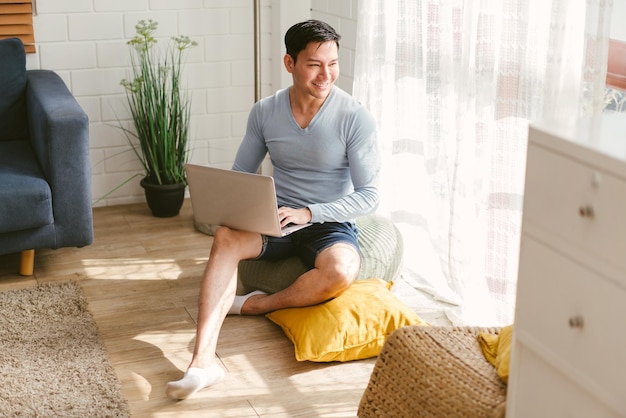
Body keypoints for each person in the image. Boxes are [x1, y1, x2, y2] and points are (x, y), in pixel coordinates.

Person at [165, 19, 380, 400]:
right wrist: (228, 207)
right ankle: (202, 363)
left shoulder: (354, 117)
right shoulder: (265, 112)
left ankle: (255, 304)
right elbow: (240, 175)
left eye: (332, 63)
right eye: (314, 64)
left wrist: (310, 213)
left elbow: (369, 196)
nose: (325, 74)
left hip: (328, 222)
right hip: (276, 216)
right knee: (226, 238)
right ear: (289, 63)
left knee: (342, 271)